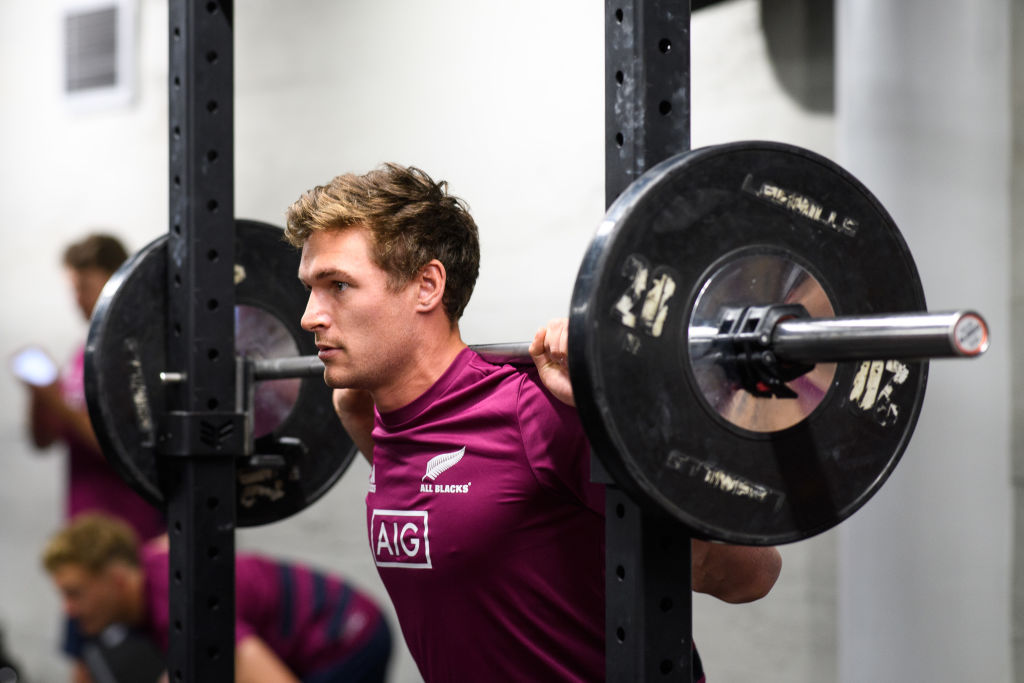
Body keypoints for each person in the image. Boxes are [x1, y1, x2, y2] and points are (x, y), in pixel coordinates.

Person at [285, 163, 783, 682]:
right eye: (309, 288)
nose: (309, 315)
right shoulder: (370, 411)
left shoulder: (537, 412)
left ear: (427, 285)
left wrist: (622, 428)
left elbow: (752, 575)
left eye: (338, 285)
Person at [42, 513, 392, 683]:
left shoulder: (178, 604)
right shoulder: (145, 567)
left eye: (75, 593)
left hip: (346, 636)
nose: (68, 609)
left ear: (117, 580)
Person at [19, 233, 165, 543]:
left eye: (83, 287)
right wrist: (39, 397)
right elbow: (43, 441)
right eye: (72, 290)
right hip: (85, 524)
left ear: (115, 280)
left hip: (132, 530)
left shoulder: (135, 353)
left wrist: (57, 403)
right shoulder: (82, 353)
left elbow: (122, 446)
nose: (77, 300)